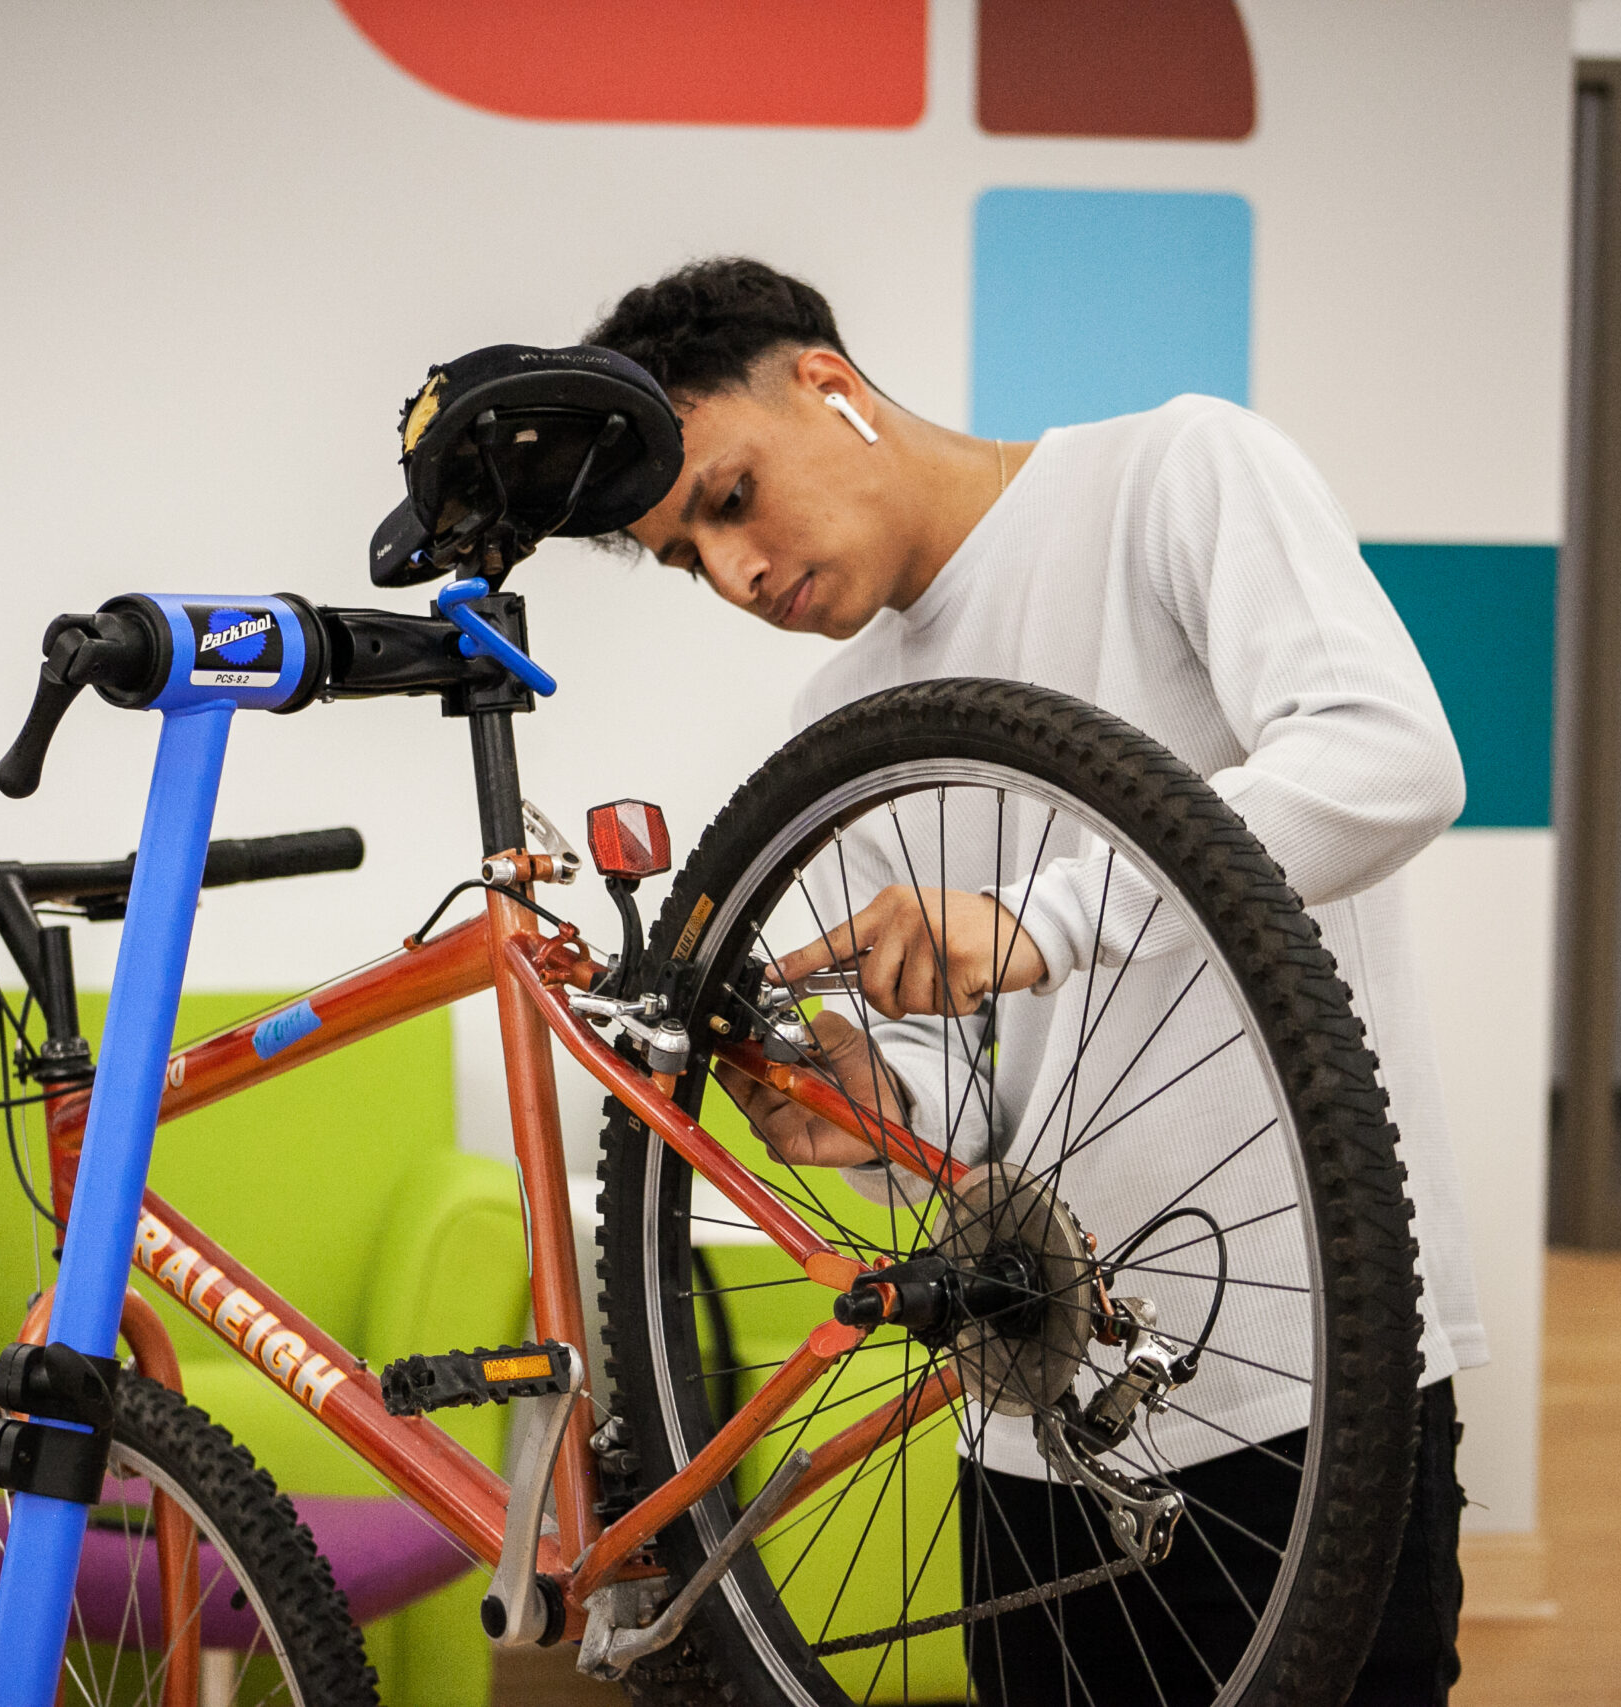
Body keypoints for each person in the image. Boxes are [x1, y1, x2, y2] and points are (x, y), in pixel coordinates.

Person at [587, 258, 1480, 1705]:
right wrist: (875, 1111)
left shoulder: (1175, 476)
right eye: (695, 559)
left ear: (826, 384)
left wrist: (1038, 916)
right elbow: (994, 1101)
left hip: (1307, 1374)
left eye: (731, 498)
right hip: (1024, 1415)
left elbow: (1391, 760)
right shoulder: (840, 715)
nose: (739, 575)